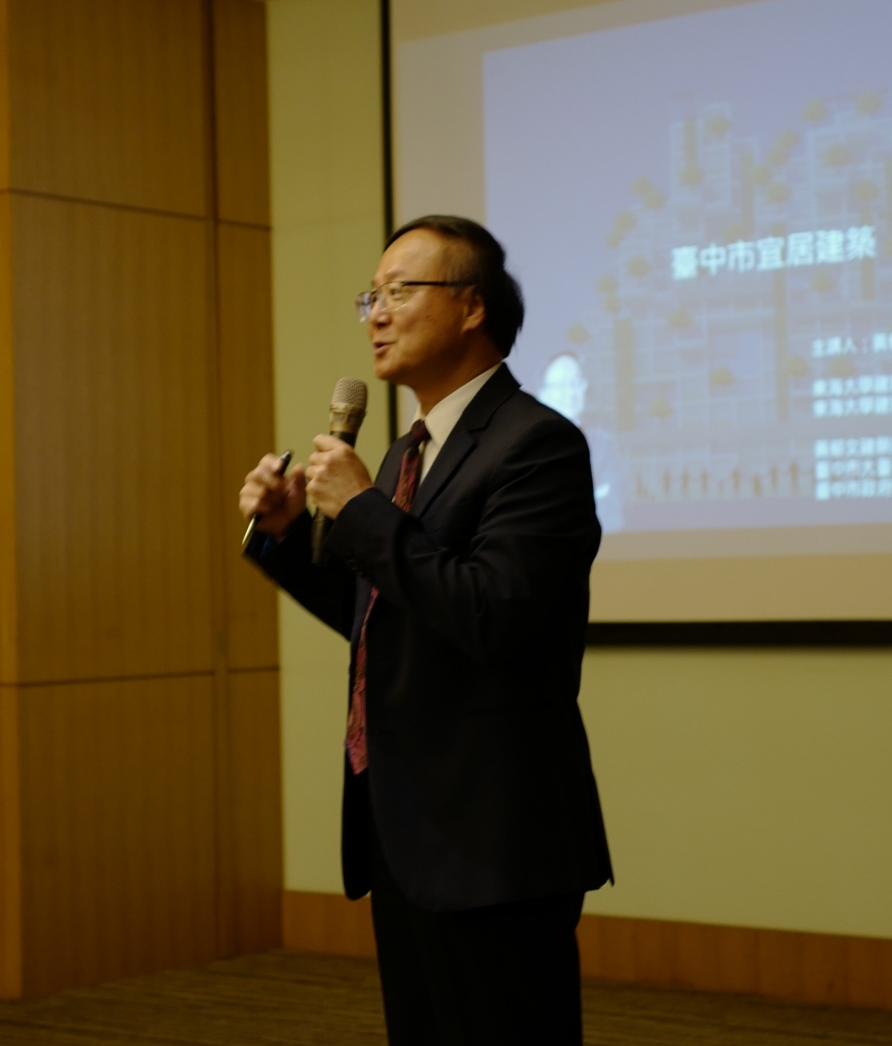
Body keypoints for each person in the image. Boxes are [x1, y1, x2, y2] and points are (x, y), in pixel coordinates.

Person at [239, 216, 611, 1044]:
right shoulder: (411, 450)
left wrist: (364, 512)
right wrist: (287, 537)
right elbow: (381, 617)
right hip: (405, 824)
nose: (375, 314)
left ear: (472, 307)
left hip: (491, 833)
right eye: (370, 296)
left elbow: (490, 613)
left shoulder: (536, 445)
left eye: (400, 292)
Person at [539, 352, 624, 532]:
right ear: (543, 394)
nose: (570, 393)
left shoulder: (604, 446)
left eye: (575, 383)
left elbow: (613, 515)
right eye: (561, 385)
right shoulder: (525, 448)